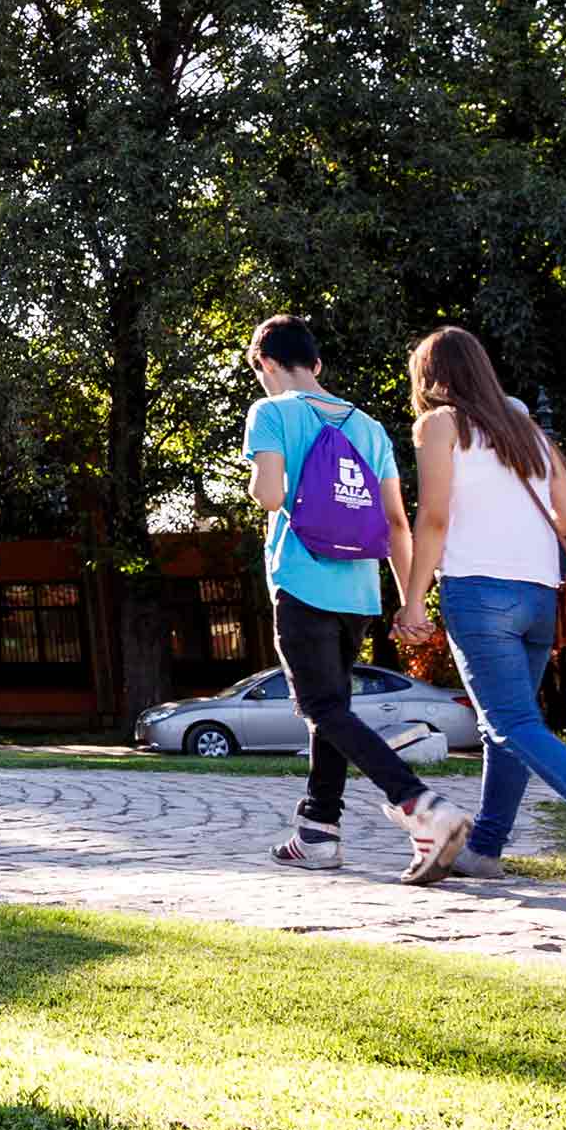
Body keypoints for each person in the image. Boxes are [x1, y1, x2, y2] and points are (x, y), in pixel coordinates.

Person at [401, 327, 566, 891]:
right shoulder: (526, 429)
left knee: (511, 722)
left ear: (431, 376)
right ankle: (486, 848)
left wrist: (413, 598)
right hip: (540, 593)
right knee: (505, 729)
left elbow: (435, 518)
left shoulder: (439, 425)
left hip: (478, 588)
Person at [240, 316, 471, 873]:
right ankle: (318, 832)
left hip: (302, 582)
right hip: (359, 593)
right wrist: (408, 602)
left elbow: (269, 497)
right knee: (332, 711)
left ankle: (419, 803)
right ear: (316, 365)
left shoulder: (270, 413)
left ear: (266, 364)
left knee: (319, 708)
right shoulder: (368, 427)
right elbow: (396, 521)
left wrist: (260, 479)